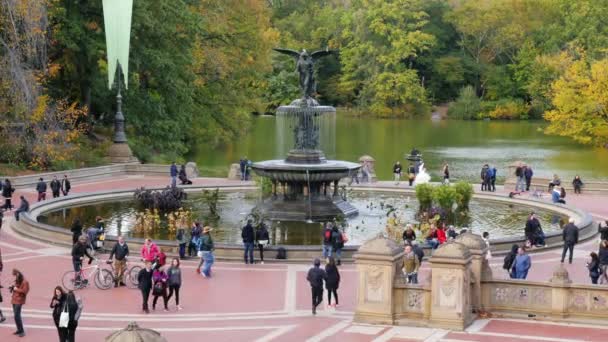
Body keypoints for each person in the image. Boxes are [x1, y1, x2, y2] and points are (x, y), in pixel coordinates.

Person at [10, 269, 29, 337]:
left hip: (19, 300)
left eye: (17, 276)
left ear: (19, 274)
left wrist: (16, 289)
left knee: (17, 316)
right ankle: (19, 329)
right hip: (14, 300)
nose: (16, 277)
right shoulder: (18, 281)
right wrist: (12, 288)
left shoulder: (25, 282)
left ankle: (22, 331)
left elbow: (25, 291)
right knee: (16, 316)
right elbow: (16, 288)